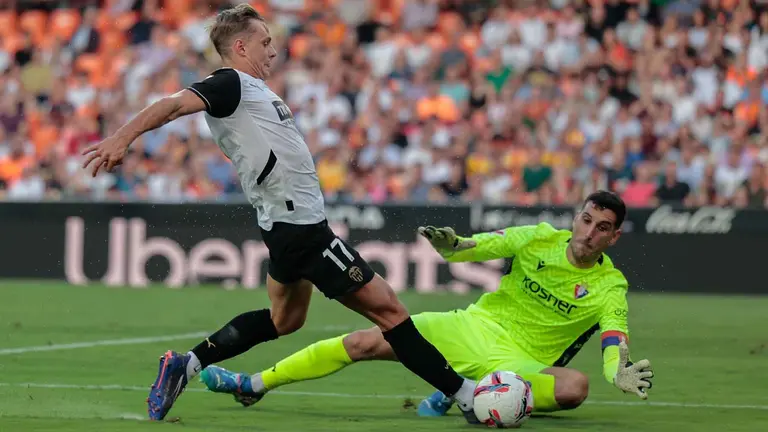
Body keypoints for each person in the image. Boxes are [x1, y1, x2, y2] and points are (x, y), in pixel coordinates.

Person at [81, 4, 478, 421]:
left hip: (286, 228)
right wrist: (121, 138)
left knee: (285, 319)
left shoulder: (254, 90)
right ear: (239, 46)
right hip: (303, 230)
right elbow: (173, 105)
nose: (273, 51)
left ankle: (187, 364)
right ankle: (466, 394)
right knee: (391, 313)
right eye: (264, 42)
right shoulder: (229, 82)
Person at [199, 191, 654, 421]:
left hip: (520, 360)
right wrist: (454, 244)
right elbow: (476, 247)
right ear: (577, 217)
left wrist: (616, 371)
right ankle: (255, 382)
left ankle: (476, 391)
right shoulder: (540, 238)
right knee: (360, 343)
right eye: (587, 220)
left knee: (576, 387)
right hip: (470, 327)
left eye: (603, 228)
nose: (589, 233)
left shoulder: (611, 286)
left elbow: (614, 337)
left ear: (614, 237)